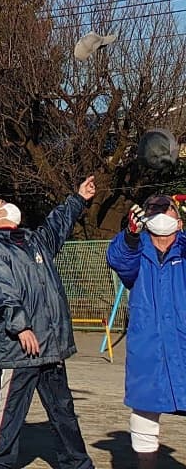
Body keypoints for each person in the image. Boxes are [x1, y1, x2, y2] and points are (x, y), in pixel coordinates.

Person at [0, 176, 96, 469]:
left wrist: (78, 198)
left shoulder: (35, 241)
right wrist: (21, 327)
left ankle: (77, 463)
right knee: (10, 410)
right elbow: (4, 293)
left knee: (63, 410)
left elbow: (58, 223)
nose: (8, 206)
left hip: (50, 345)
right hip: (20, 350)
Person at [106, 192, 186, 465]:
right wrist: (130, 234)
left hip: (183, 344)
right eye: (153, 209)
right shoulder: (137, 251)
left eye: (168, 209)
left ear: (179, 218)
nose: (161, 214)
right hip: (148, 347)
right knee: (144, 414)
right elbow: (118, 260)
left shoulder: (184, 250)